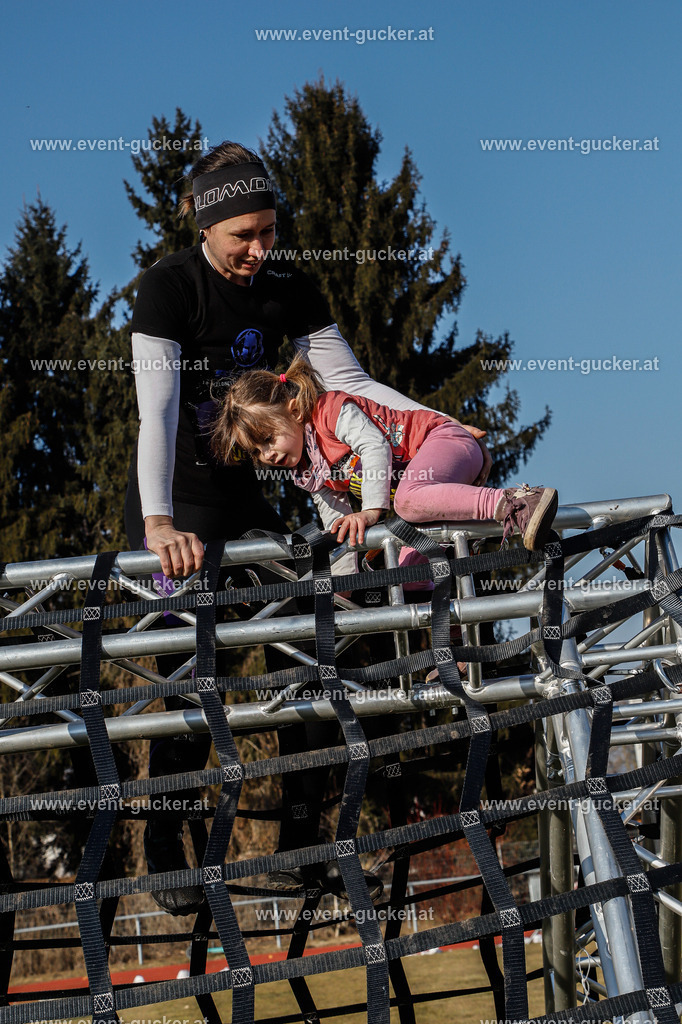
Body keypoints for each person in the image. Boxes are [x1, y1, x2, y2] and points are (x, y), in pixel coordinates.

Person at [125, 140, 493, 914]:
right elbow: (155, 409)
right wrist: (158, 523)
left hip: (253, 504)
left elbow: (352, 383)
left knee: (312, 637)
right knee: (198, 666)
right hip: (178, 507)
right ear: (203, 223)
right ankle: (166, 842)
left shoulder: (288, 288)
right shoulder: (167, 290)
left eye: (268, 232)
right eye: (242, 237)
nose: (259, 250)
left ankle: (301, 832)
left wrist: (425, 426)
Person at [211, 355, 558, 553]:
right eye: (257, 451)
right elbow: (338, 524)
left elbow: (374, 446)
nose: (267, 454)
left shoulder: (331, 411)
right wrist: (344, 578)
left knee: (406, 501)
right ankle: (456, 652)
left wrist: (372, 511)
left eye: (268, 439)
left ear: (295, 411)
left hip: (444, 440)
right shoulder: (308, 470)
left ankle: (515, 502)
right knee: (408, 568)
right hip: (424, 496)